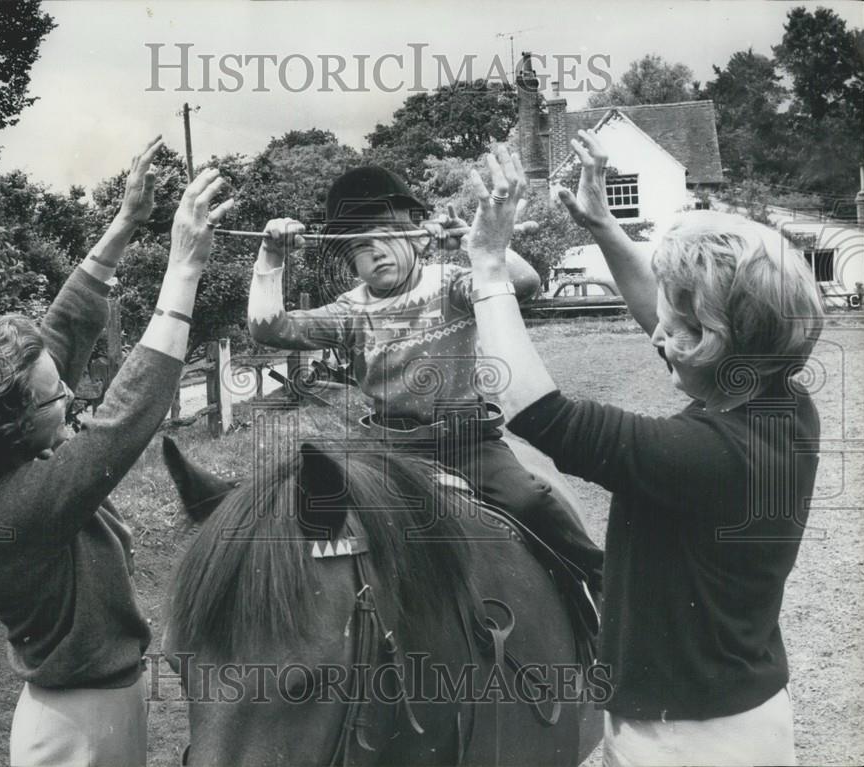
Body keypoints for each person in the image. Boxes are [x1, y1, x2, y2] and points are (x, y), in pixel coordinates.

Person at [465, 136, 823, 766]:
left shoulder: (704, 453)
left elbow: (538, 413)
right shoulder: (779, 403)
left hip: (688, 740)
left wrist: (490, 269)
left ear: (716, 343)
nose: (656, 336)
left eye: (677, 331)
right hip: (731, 715)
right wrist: (604, 225)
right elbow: (665, 318)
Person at [0, 137, 234, 767]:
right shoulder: (8, 513)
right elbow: (121, 423)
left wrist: (125, 223)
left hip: (92, 703)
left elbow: (57, 333)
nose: (69, 391)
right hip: (80, 725)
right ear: (9, 429)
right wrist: (184, 270)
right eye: (56, 396)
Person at [246, 164, 604, 591]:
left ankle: (598, 583)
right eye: (360, 245)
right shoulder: (348, 313)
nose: (377, 252)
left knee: (528, 500)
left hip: (467, 444)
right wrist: (272, 255)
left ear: (418, 238)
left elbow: (525, 283)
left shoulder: (452, 285)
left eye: (389, 236)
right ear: (347, 260)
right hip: (387, 453)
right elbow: (268, 328)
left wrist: (481, 246)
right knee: (331, 533)